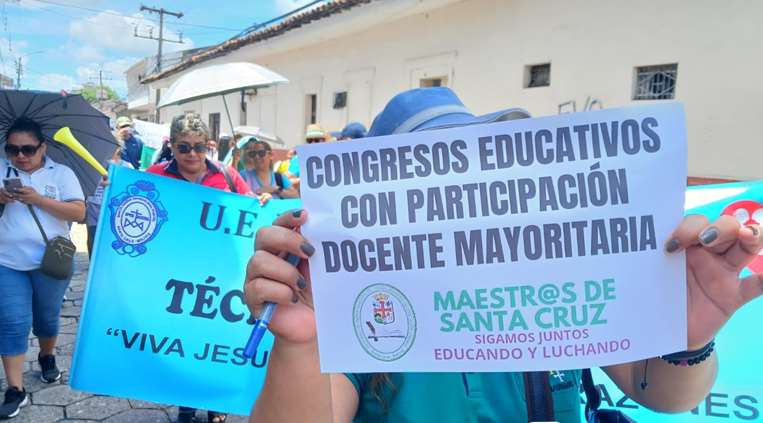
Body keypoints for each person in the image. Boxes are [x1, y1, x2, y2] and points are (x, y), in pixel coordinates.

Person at [243, 88, 763, 423]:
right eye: (427, 178)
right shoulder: (365, 314)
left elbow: (666, 396)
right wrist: (302, 345)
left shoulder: (554, 283)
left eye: (473, 166)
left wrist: (688, 337)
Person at [147, 113, 251, 423]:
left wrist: (259, 200)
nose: (191, 154)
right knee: (182, 339)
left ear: (208, 146)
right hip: (174, 273)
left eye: (198, 147)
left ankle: (215, 404)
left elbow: (250, 208)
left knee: (214, 337)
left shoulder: (228, 176)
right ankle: (186, 403)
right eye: (183, 147)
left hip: (219, 273)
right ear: (172, 146)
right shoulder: (155, 175)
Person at [0, 117, 86, 419]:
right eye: (12, 149)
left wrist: (38, 199)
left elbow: (79, 210)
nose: (20, 156)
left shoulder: (61, 173)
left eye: (27, 149)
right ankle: (15, 388)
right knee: (11, 322)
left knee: (47, 318)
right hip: (7, 261)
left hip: (51, 260)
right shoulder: (2, 169)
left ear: (42, 147)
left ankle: (47, 355)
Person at [85, 145, 133, 258]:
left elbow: (131, 186)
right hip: (94, 207)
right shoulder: (94, 162)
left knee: (110, 237)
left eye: (114, 146)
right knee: (93, 235)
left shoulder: (127, 166)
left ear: (119, 148)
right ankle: (93, 263)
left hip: (115, 209)